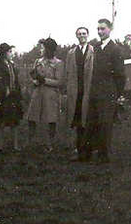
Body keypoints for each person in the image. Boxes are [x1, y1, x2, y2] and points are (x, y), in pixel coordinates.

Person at [80, 19, 125, 164]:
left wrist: (118, 94)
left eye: (103, 29)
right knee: (91, 122)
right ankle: (86, 154)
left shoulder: (115, 49)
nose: (100, 32)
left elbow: (120, 75)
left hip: (108, 93)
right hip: (94, 92)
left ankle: (103, 156)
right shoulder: (95, 48)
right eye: (98, 29)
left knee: (105, 124)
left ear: (110, 29)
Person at [26, 37, 64, 151]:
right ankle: (31, 143)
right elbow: (32, 76)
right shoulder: (38, 61)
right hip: (37, 93)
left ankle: (49, 144)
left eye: (43, 48)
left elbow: (60, 81)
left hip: (50, 96)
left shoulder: (58, 63)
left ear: (50, 49)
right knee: (32, 118)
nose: (41, 50)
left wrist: (45, 80)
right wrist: (35, 81)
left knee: (50, 120)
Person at [0, 42, 23, 152]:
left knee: (14, 121)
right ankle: (0, 146)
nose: (12, 54)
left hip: (13, 96)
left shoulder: (12, 65)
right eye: (9, 52)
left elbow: (15, 79)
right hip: (2, 96)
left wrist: (17, 91)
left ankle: (15, 146)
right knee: (1, 121)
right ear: (4, 53)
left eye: (12, 51)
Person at [64, 26, 95, 161]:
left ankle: (87, 151)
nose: (82, 36)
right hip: (75, 92)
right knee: (77, 121)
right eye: (79, 34)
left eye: (84, 33)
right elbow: (67, 73)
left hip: (88, 90)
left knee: (88, 121)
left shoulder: (94, 51)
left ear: (88, 35)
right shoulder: (71, 53)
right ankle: (77, 150)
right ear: (76, 36)